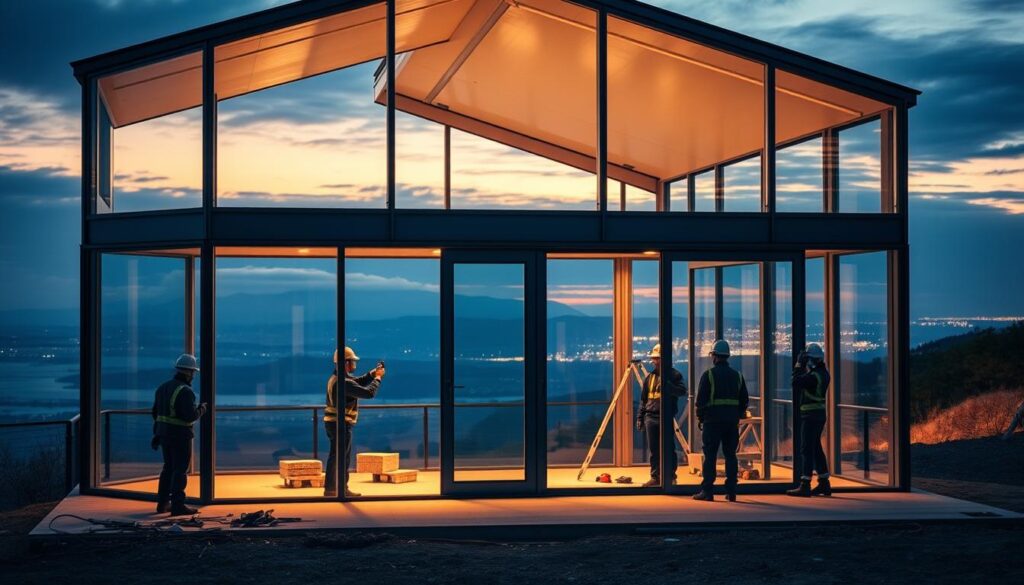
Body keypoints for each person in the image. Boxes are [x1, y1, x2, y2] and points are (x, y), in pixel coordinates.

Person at [151, 353, 207, 516]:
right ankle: (178, 505)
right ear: (188, 372)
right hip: (180, 436)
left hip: (163, 434)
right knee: (180, 470)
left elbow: (155, 413)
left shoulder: (163, 387)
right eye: (193, 372)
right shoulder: (185, 391)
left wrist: (158, 433)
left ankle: (162, 503)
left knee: (168, 468)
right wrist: (202, 409)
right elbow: (190, 416)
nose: (193, 376)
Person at [692, 340, 748, 502]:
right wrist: (737, 415)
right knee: (731, 455)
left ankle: (707, 491)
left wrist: (701, 418)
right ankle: (731, 491)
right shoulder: (737, 376)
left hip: (712, 421)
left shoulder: (709, 375)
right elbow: (744, 400)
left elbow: (700, 401)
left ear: (715, 356)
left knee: (710, 456)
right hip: (731, 423)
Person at [324, 346, 384, 497]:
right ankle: (340, 489)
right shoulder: (344, 382)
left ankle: (332, 489)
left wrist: (372, 374)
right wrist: (377, 378)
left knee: (336, 456)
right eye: (352, 362)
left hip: (333, 423)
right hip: (340, 424)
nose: (354, 365)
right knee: (342, 458)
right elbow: (368, 393)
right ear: (346, 363)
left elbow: (356, 382)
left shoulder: (336, 379)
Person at [635, 343, 687, 487]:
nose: (655, 361)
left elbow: (682, 391)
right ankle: (656, 476)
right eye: (654, 359)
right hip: (650, 417)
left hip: (665, 417)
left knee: (669, 448)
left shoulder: (674, 375)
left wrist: (669, 386)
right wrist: (640, 417)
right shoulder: (650, 377)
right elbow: (644, 399)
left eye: (657, 358)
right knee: (654, 450)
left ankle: (670, 476)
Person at [787, 343, 832, 497]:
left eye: (808, 359)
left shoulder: (813, 377)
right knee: (816, 448)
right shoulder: (823, 374)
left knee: (806, 449)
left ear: (812, 359)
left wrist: (799, 363)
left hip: (810, 416)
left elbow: (795, 382)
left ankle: (805, 484)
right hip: (819, 415)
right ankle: (824, 482)